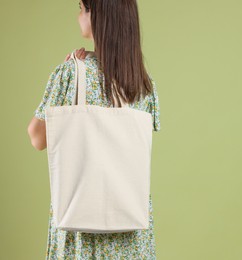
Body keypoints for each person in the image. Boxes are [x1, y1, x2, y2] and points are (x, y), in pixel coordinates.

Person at [27, 0, 160, 258]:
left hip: (80, 224)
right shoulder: (145, 85)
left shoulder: (70, 73)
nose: (78, 14)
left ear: (97, 15)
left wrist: (71, 75)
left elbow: (37, 137)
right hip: (131, 230)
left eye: (81, 7)